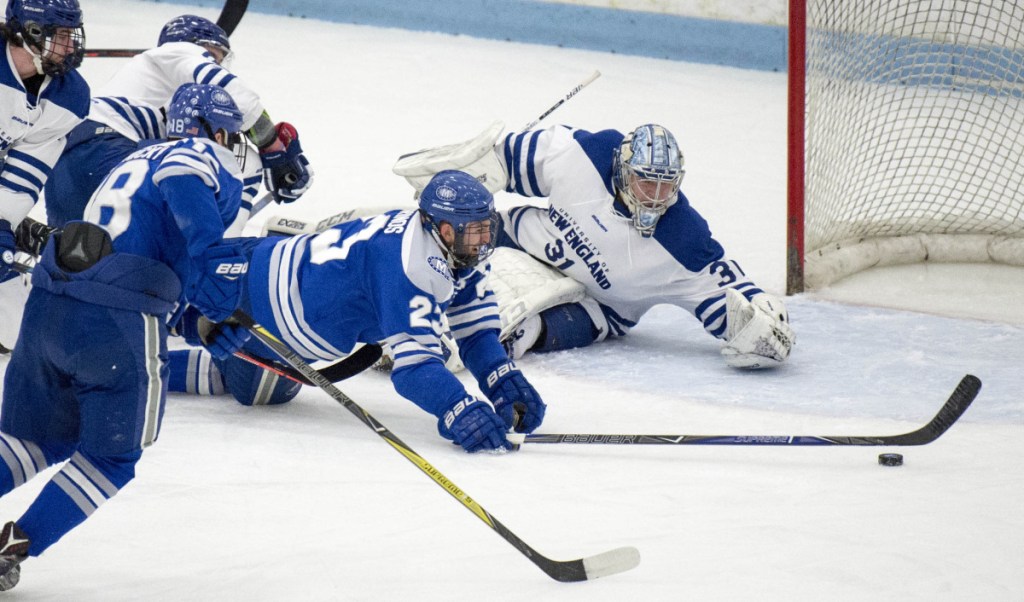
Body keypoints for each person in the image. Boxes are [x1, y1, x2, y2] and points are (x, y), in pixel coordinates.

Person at [0, 83, 252, 591]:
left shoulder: (132, 158)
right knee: (111, 458)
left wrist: (196, 320)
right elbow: (188, 204)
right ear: (218, 130)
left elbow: (149, 254)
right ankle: (15, 545)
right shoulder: (200, 154)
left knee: (35, 439)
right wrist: (214, 267)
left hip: (49, 303)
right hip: (113, 323)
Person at [170, 170, 547, 453]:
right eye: (474, 230)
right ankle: (145, 360)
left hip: (260, 262)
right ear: (445, 229)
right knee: (250, 386)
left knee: (167, 304)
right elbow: (415, 370)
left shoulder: (453, 248)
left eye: (487, 227)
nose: (483, 240)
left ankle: (151, 341)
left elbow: (474, 328)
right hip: (266, 314)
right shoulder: (411, 264)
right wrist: (458, 408)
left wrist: (502, 378)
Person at [394, 123, 795, 369]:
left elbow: (734, 297)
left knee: (521, 327)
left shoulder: (684, 243)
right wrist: (464, 176)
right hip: (517, 242)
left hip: (594, 307)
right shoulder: (584, 153)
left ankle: (439, 344)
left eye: (666, 184)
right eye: (645, 181)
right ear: (621, 169)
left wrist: (762, 323)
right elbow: (506, 159)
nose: (656, 195)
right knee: (436, 253)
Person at [42, 13, 314, 230]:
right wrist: (273, 149)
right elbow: (235, 94)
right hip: (108, 155)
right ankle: (223, 255)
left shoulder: (152, 85)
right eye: (215, 56)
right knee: (244, 163)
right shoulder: (179, 51)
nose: (216, 64)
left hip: (65, 178)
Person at [0, 0, 89, 351]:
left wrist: (5, 226)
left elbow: (21, 178)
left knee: (19, 336)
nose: (71, 46)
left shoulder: (70, 96)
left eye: (72, 34)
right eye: (62, 35)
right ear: (31, 33)